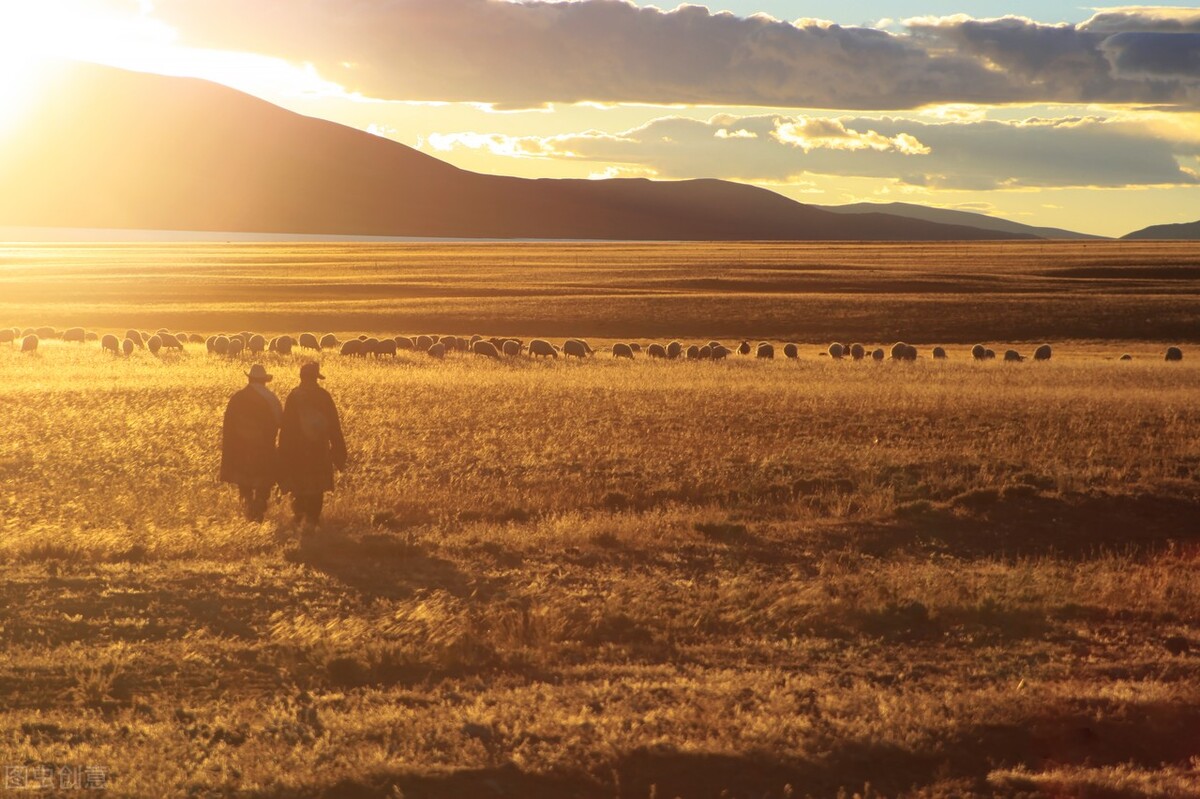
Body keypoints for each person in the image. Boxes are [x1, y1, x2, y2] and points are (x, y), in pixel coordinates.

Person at [278, 361, 346, 530]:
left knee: (298, 486)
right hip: (319, 451)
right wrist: (338, 449)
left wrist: (283, 453)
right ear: (316, 377)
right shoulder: (323, 396)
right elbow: (334, 425)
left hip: (297, 452)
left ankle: (300, 520)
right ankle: (312, 522)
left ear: (301, 377)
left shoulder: (293, 396)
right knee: (317, 487)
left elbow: (286, 428)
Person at [220, 363, 282, 523]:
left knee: (245, 486)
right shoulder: (271, 398)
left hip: (241, 450)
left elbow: (228, 426)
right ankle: (258, 514)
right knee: (263, 484)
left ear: (250, 378)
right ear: (264, 380)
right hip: (263, 450)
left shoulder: (237, 398)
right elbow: (280, 422)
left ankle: (248, 517)